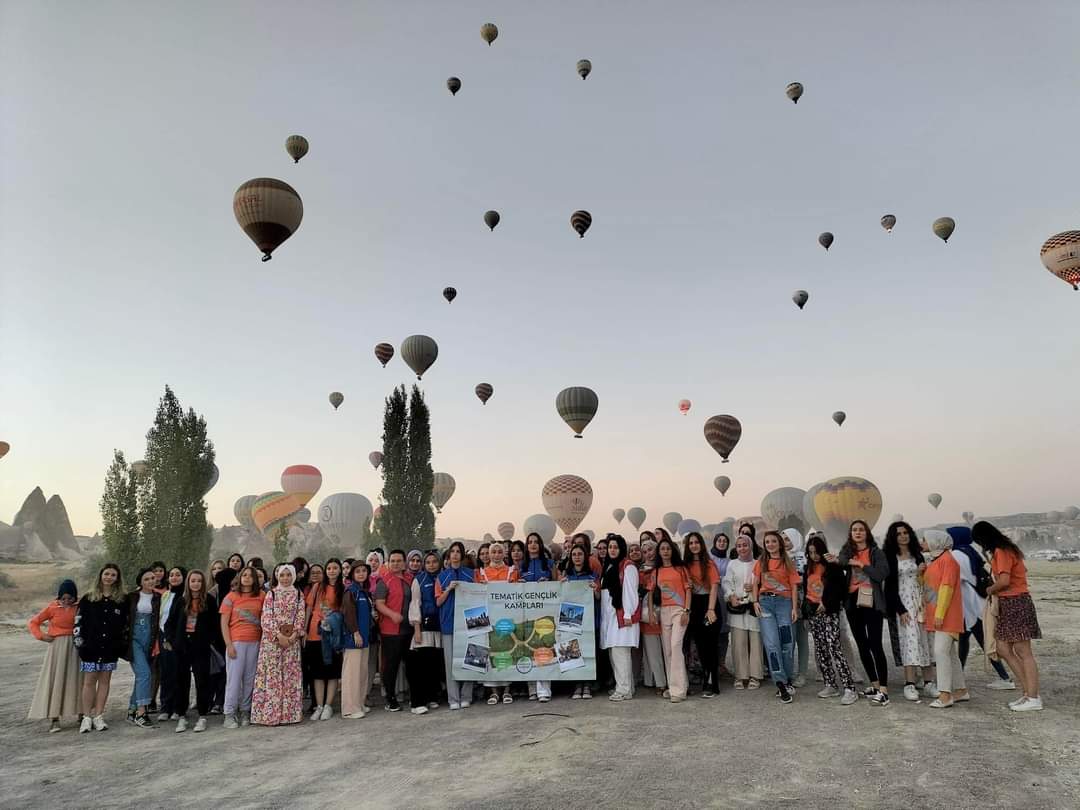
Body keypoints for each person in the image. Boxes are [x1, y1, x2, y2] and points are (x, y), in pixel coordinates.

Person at [976, 521, 1043, 712]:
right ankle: (1028, 692)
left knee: (1023, 651)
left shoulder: (1002, 551)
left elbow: (1005, 580)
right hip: (1010, 602)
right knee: (1003, 648)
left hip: (1015, 601)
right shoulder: (1005, 550)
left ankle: (1033, 696)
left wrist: (989, 589)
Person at [947, 526, 1015, 689]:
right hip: (973, 603)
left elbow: (954, 577)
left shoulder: (957, 554)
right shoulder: (969, 550)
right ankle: (959, 676)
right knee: (965, 639)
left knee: (985, 642)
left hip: (971, 605)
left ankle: (1005, 678)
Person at [835, 520, 891, 705]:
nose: (858, 532)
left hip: (871, 600)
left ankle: (884, 690)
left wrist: (861, 565)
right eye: (854, 530)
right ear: (850, 534)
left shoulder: (876, 552)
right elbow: (840, 561)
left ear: (867, 532)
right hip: (853, 601)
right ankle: (874, 685)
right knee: (862, 643)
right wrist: (850, 560)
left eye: (861, 529)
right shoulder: (848, 551)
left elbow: (881, 573)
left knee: (875, 643)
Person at [803, 534, 858, 705]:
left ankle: (849, 687)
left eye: (816, 552)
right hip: (813, 613)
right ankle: (830, 684)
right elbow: (807, 590)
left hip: (829, 612)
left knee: (834, 647)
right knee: (821, 649)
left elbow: (840, 589)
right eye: (810, 552)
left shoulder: (832, 567)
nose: (814, 556)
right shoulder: (808, 568)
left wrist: (826, 603)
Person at [884, 522, 934, 701]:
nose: (903, 536)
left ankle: (929, 682)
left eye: (906, 533)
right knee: (909, 640)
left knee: (926, 640)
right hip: (904, 603)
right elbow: (889, 587)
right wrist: (900, 609)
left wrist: (923, 571)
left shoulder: (917, 554)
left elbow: (926, 580)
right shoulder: (890, 557)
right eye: (899, 534)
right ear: (893, 537)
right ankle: (910, 683)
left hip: (921, 602)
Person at [251, 564, 305, 726]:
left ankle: (290, 715)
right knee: (272, 677)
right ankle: (269, 715)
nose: (286, 578)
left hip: (291, 642)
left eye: (289, 575)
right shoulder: (271, 594)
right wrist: (277, 635)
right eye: (282, 575)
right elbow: (266, 617)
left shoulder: (298, 594)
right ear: (277, 577)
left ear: (293, 576)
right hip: (272, 642)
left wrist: (294, 634)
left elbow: (300, 616)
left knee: (290, 676)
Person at [27, 579, 83, 732]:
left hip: (75, 646)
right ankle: (54, 719)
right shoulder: (52, 607)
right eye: (63, 598)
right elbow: (33, 622)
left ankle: (81, 714)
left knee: (77, 678)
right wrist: (41, 636)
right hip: (57, 648)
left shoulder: (80, 607)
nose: (66, 601)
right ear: (59, 597)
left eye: (70, 598)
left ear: (75, 597)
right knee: (56, 680)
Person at [172, 570, 223, 733]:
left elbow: (216, 625)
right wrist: (172, 640)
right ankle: (181, 715)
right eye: (193, 580)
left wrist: (209, 640)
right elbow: (170, 623)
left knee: (202, 680)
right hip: (182, 646)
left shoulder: (208, 600)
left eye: (199, 581)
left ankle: (202, 715)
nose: (196, 583)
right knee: (181, 681)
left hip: (200, 646)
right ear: (188, 582)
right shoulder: (181, 601)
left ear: (202, 583)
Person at [921, 531, 968, 708]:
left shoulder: (948, 561)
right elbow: (930, 586)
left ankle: (945, 694)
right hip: (939, 613)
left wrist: (940, 614)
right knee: (949, 653)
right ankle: (961, 690)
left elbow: (946, 588)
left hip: (947, 615)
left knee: (940, 652)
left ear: (935, 542)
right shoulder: (937, 560)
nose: (922, 542)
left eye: (925, 539)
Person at [752, 531, 800, 704]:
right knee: (771, 644)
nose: (770, 544)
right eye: (767, 542)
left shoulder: (788, 562)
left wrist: (794, 608)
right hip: (765, 604)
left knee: (787, 642)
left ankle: (787, 679)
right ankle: (780, 682)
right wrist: (754, 602)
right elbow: (755, 583)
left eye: (773, 541)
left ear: (779, 543)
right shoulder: (761, 562)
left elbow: (794, 586)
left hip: (785, 604)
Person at [220, 565, 265, 728]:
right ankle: (229, 713)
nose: (247, 578)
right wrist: (229, 644)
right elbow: (224, 623)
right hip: (237, 643)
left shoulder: (261, 596)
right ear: (239, 578)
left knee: (249, 679)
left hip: (255, 642)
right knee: (234, 680)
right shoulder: (231, 597)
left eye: (250, 575)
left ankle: (245, 711)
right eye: (244, 575)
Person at [600, 534, 640, 701]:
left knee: (621, 653)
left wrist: (628, 614)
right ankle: (625, 687)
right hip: (610, 616)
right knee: (614, 654)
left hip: (622, 616)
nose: (612, 550)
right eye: (610, 547)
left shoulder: (628, 567)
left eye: (615, 547)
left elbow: (631, 592)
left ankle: (623, 690)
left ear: (621, 548)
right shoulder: (609, 567)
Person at [722, 535, 764, 690]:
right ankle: (740, 675)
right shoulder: (732, 564)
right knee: (738, 643)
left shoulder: (758, 564)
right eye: (739, 546)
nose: (742, 548)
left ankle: (755, 675)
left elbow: (763, 582)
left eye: (745, 545)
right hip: (737, 607)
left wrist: (754, 589)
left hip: (754, 607)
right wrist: (731, 595)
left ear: (751, 546)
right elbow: (727, 582)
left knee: (756, 642)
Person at [518, 533, 556, 702]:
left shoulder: (549, 564)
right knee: (528, 648)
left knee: (543, 649)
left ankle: (544, 689)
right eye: (530, 542)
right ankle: (531, 688)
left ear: (540, 545)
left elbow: (558, 585)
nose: (533, 545)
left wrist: (548, 583)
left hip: (544, 614)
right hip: (526, 614)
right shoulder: (520, 566)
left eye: (536, 542)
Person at [436, 541, 474, 709]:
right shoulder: (441, 576)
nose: (455, 554)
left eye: (458, 551)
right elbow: (438, 602)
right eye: (453, 551)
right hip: (448, 623)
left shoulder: (471, 574)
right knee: (450, 662)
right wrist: (448, 589)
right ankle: (453, 698)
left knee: (469, 659)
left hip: (469, 624)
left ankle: (466, 695)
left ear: (462, 555)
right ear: (449, 555)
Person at [304, 559, 344, 720]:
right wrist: (304, 629)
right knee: (317, 673)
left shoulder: (343, 589)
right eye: (329, 568)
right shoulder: (317, 587)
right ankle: (319, 705)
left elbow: (343, 612)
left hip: (332, 635)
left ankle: (328, 705)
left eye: (335, 568)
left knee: (332, 671)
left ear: (340, 570)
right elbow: (308, 608)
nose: (332, 571)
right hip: (315, 633)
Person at [683, 532, 721, 698]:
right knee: (700, 645)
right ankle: (706, 676)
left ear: (701, 544)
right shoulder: (685, 565)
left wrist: (711, 610)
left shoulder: (709, 564)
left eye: (696, 542)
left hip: (709, 605)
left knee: (710, 644)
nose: (693, 545)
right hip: (694, 606)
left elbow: (714, 587)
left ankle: (712, 681)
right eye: (690, 543)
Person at [653, 535, 690, 702]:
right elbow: (650, 591)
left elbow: (688, 590)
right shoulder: (656, 571)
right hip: (663, 611)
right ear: (659, 552)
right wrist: (652, 612)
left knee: (676, 646)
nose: (665, 551)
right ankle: (674, 685)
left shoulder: (681, 569)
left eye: (668, 548)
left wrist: (686, 611)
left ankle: (678, 691)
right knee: (667, 650)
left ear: (672, 550)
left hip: (679, 610)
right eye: (662, 549)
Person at [479, 541, 516, 704]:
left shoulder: (512, 571)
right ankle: (494, 691)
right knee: (491, 652)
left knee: (508, 650)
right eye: (493, 552)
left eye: (499, 552)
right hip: (489, 619)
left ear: (504, 554)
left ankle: (507, 690)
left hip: (507, 617)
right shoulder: (481, 573)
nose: (496, 555)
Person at [375, 550, 411, 712]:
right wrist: (392, 614)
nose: (396, 563)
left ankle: (412, 696)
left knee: (410, 665)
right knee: (391, 666)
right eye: (393, 561)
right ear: (388, 562)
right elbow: (379, 604)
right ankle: (390, 699)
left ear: (404, 563)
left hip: (409, 629)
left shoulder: (410, 579)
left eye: (399, 560)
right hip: (390, 631)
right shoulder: (384, 581)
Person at [408, 551, 445, 714]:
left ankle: (431, 697)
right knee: (420, 666)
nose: (431, 565)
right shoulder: (419, 580)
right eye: (428, 562)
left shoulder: (443, 577)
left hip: (440, 627)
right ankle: (417, 702)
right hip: (424, 627)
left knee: (433, 665)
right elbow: (415, 603)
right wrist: (417, 628)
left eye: (434, 562)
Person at [125, 567, 161, 727]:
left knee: (142, 675)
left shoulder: (159, 597)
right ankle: (141, 713)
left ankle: (132, 710)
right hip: (134, 638)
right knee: (145, 673)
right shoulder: (131, 597)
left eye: (152, 578)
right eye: (146, 579)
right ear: (140, 581)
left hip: (150, 638)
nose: (150, 581)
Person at [563, 540, 598, 700]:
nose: (577, 557)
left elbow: (598, 597)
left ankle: (587, 685)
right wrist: (560, 586)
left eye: (580, 554)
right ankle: (577, 685)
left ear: (585, 557)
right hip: (571, 621)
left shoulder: (593, 575)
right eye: (574, 554)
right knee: (572, 650)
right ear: (571, 557)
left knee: (588, 651)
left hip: (589, 620)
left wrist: (595, 589)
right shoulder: (566, 576)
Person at [341, 562, 373, 719]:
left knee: (362, 672)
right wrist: (355, 632)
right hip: (354, 638)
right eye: (358, 571)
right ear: (352, 574)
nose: (361, 573)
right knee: (351, 674)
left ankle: (359, 703)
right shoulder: (351, 591)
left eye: (364, 571)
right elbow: (348, 614)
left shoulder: (363, 592)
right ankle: (350, 709)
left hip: (365, 637)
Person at [155, 566, 186, 722]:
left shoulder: (186, 596)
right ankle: (165, 707)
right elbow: (161, 617)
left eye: (178, 575)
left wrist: (173, 639)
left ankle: (177, 708)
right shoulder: (166, 595)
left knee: (178, 673)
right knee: (166, 673)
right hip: (164, 638)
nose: (174, 577)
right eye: (172, 575)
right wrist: (164, 637)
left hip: (179, 639)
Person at [781, 529, 810, 688]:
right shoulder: (779, 557)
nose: (785, 542)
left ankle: (802, 674)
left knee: (802, 640)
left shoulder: (803, 558)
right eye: (783, 539)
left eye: (787, 539)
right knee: (788, 640)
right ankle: (788, 672)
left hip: (801, 604)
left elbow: (804, 580)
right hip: (784, 603)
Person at [638, 536, 667, 695]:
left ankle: (671, 680)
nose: (648, 553)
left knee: (668, 650)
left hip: (666, 610)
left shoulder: (665, 567)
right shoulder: (640, 571)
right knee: (652, 651)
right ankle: (659, 683)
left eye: (650, 550)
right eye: (645, 551)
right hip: (648, 613)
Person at [710, 533, 732, 679]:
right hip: (711, 598)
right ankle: (712, 664)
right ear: (715, 542)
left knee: (724, 632)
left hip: (724, 599)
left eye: (725, 541)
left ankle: (722, 664)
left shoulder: (730, 561)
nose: (722, 543)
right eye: (719, 540)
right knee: (712, 631)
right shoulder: (708, 558)